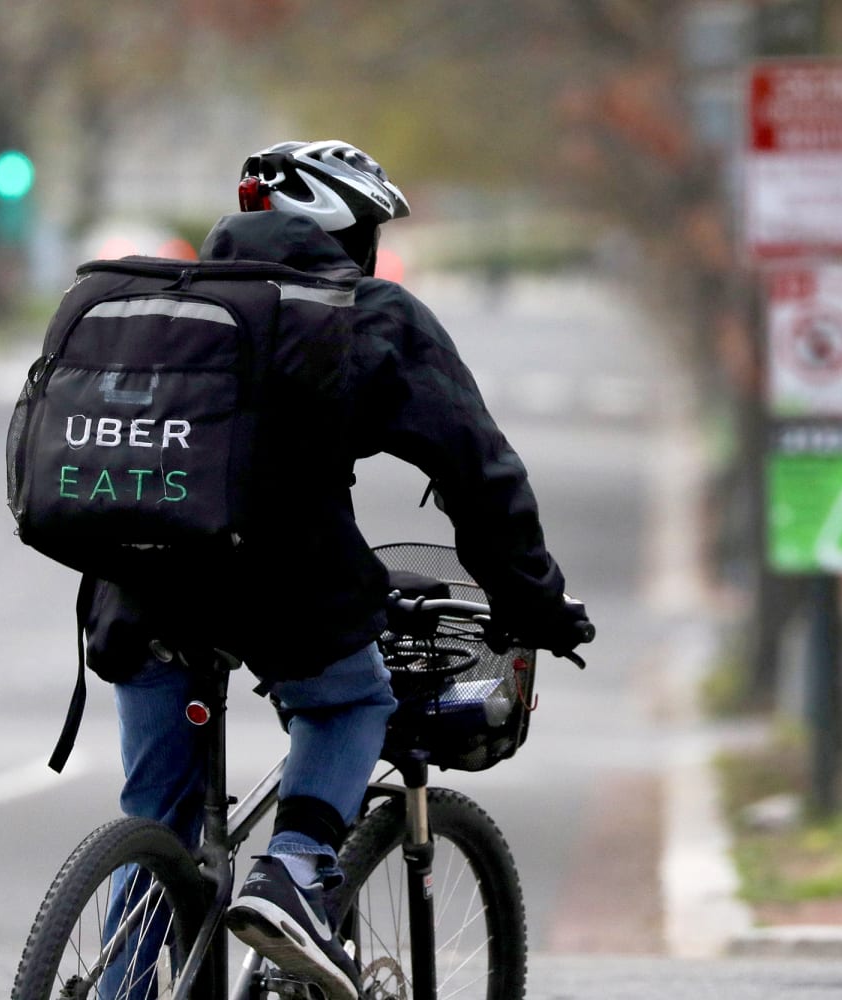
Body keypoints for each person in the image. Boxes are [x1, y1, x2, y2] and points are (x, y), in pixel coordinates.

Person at [82, 139, 590, 999]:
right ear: (346, 233)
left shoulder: (167, 302)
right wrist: (536, 603)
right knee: (351, 698)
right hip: (279, 586)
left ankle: (119, 986)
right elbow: (479, 473)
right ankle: (297, 871)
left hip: (137, 584)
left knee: (159, 827)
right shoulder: (366, 313)